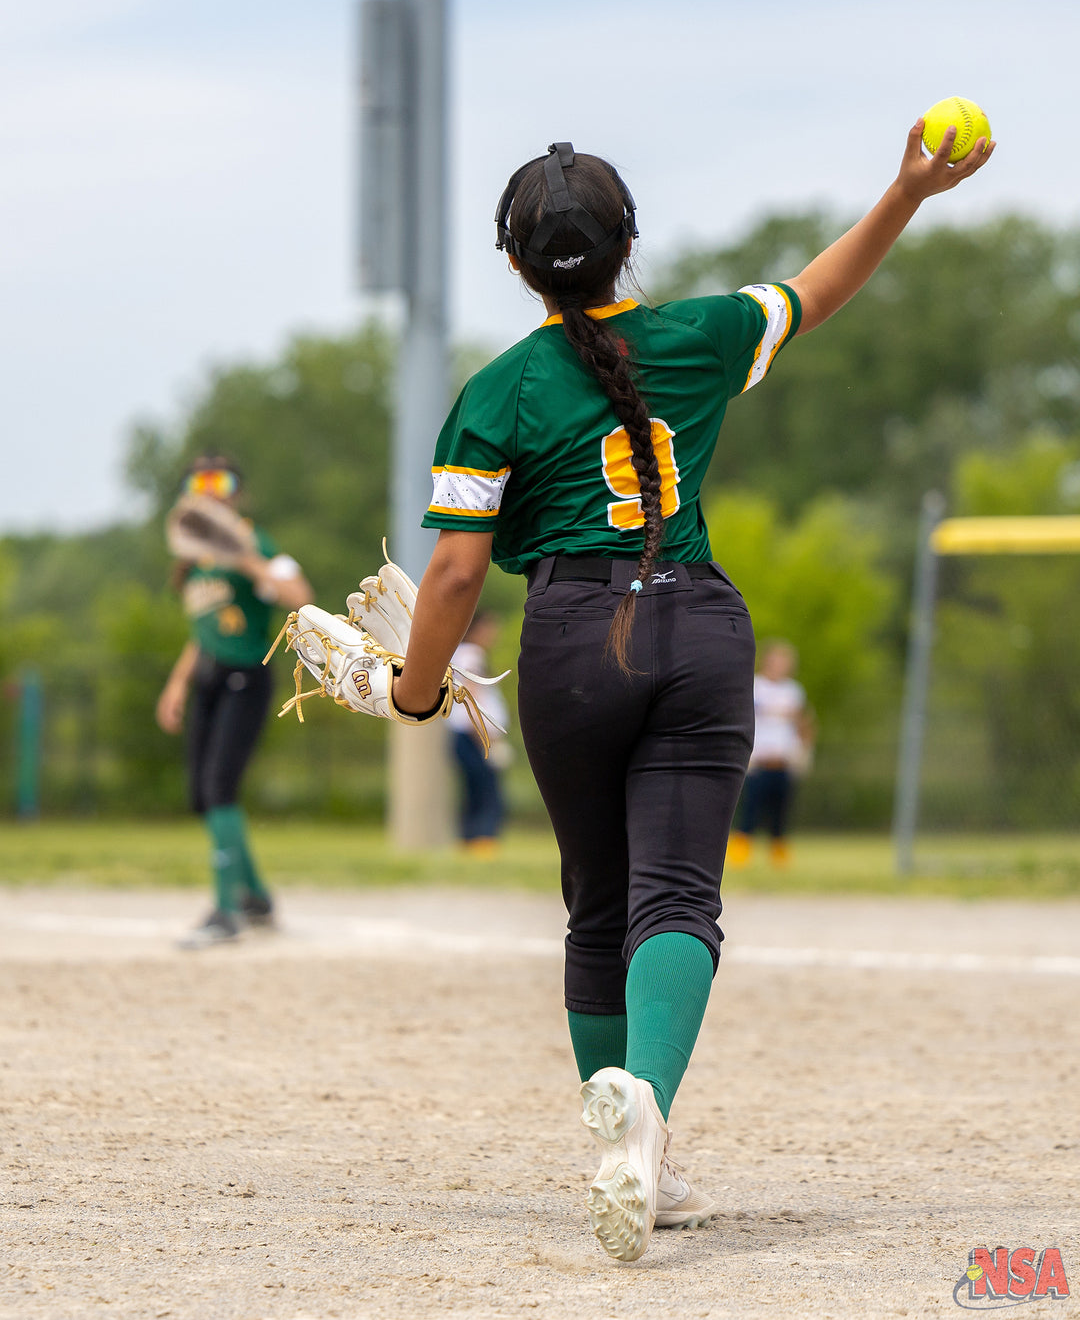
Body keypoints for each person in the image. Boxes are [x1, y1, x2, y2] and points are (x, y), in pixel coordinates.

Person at [316, 122, 992, 1258]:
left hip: (576, 635)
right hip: (700, 625)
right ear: (629, 244)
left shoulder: (497, 390)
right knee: (677, 901)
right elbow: (818, 292)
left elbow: (456, 572)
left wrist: (418, 695)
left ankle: (621, 1139)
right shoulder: (700, 334)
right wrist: (908, 187)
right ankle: (650, 1129)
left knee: (597, 905)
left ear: (515, 260)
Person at [156, 456, 313, 948]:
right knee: (203, 796)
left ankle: (226, 912)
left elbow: (298, 594)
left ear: (237, 493)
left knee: (219, 786)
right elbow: (203, 632)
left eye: (219, 482)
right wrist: (177, 683)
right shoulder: (193, 557)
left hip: (246, 676)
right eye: (197, 482)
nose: (208, 491)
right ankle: (256, 899)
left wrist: (244, 557)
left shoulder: (252, 540)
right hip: (208, 677)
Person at [728, 639, 815, 868]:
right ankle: (739, 855)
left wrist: (803, 751)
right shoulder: (755, 686)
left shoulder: (793, 690)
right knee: (750, 810)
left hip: (782, 761)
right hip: (758, 761)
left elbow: (802, 724)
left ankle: (778, 858)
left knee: (780, 813)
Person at [447, 610, 509, 855]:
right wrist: (486, 735)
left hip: (463, 734)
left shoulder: (458, 654)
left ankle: (470, 840)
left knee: (473, 789)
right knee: (486, 790)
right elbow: (473, 695)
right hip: (474, 735)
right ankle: (482, 840)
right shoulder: (472, 654)